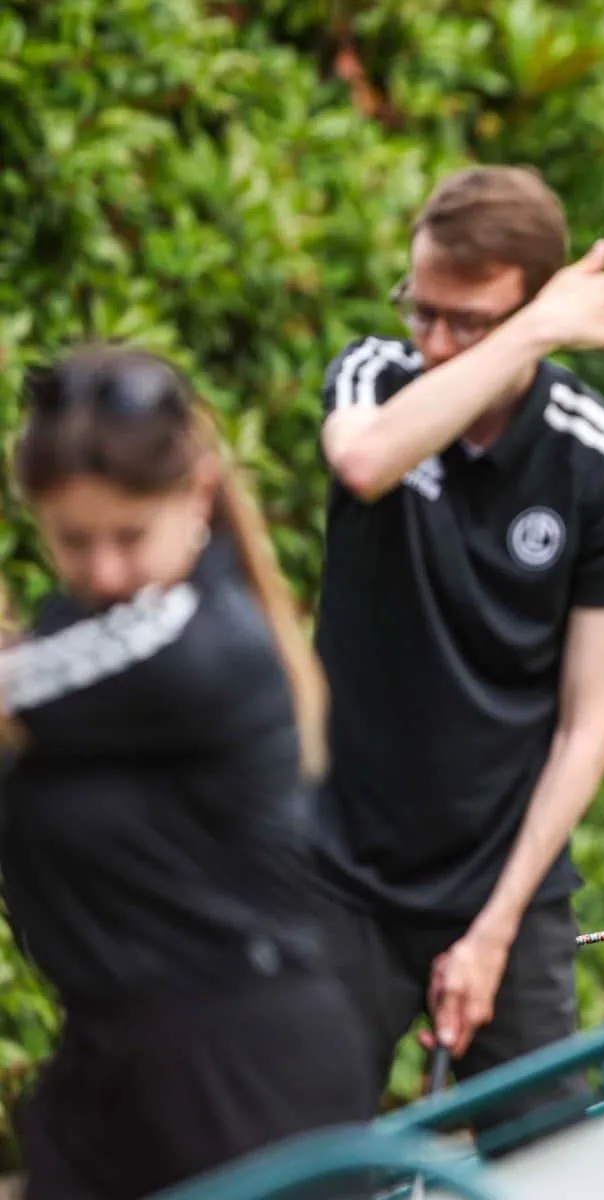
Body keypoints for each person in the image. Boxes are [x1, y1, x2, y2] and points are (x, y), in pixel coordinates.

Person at [310, 164, 604, 1119]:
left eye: (466, 322)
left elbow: (590, 727)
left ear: (533, 303)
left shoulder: (603, 462)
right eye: (420, 309)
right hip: (338, 875)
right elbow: (366, 460)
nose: (432, 342)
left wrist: (495, 929)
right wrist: (530, 331)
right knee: (286, 1162)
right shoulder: (375, 378)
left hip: (509, 883)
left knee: (551, 1157)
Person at [0, 346, 372, 1199]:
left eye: (129, 537)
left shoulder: (201, 638)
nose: (103, 571)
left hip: (243, 1079)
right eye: (72, 541)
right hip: (111, 1070)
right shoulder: (81, 629)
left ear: (199, 493)